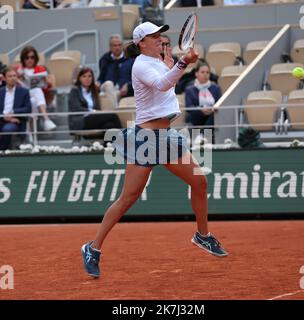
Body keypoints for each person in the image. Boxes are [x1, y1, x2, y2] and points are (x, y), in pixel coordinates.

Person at [80, 22, 228, 279]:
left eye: (160, 35)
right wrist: (182, 64)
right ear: (141, 43)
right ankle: (92, 248)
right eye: (155, 36)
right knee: (127, 200)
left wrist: (175, 65)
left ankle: (202, 236)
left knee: (200, 182)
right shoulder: (140, 64)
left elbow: (165, 87)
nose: (160, 39)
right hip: (145, 140)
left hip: (167, 137)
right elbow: (161, 85)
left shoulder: (158, 61)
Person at [0, 67, 32, 150]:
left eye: (14, 76)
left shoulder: (24, 92)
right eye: (10, 76)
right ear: (4, 78)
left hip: (15, 119)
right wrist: (4, 117)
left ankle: (1, 151)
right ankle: (0, 147)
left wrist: (13, 112)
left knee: (7, 129)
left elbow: (28, 108)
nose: (13, 78)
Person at [68, 67, 121, 137]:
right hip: (80, 120)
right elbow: (76, 108)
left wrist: (95, 112)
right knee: (113, 116)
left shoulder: (93, 92)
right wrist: (92, 111)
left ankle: (107, 146)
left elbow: (97, 108)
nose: (87, 79)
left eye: (90, 76)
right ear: (79, 78)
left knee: (109, 125)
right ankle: (124, 140)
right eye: (84, 76)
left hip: (93, 119)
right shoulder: (74, 90)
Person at [16, 46, 56, 131]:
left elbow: (45, 88)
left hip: (37, 97)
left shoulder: (40, 69)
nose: (30, 60)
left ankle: (31, 133)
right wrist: (18, 79)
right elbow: (14, 87)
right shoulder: (18, 70)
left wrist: (48, 83)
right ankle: (46, 120)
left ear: (36, 58)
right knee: (35, 92)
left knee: (34, 98)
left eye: (32, 57)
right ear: (23, 59)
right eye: (27, 58)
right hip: (23, 96)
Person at [185, 60, 221, 144]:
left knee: (215, 115)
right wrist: (201, 109)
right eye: (202, 72)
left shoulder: (216, 88)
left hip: (211, 116)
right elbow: (189, 107)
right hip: (197, 117)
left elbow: (220, 104)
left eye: (207, 72)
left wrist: (212, 109)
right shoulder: (189, 89)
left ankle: (201, 136)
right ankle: (199, 136)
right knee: (192, 114)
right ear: (196, 73)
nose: (205, 74)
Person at [97, 35, 128, 106]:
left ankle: (114, 109)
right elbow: (101, 78)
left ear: (122, 46)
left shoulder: (130, 59)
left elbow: (135, 78)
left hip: (124, 89)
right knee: (108, 84)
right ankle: (115, 109)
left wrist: (128, 85)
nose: (117, 48)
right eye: (114, 45)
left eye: (119, 45)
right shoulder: (104, 59)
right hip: (108, 88)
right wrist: (98, 83)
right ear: (110, 47)